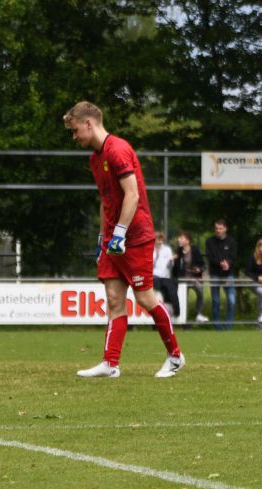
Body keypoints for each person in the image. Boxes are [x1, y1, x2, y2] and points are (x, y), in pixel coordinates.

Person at [63, 101, 184, 378]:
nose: (74, 137)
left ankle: (175, 356)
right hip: (112, 239)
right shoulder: (95, 159)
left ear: (89, 124)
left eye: (75, 130)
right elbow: (106, 200)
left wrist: (119, 233)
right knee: (114, 299)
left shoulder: (118, 149)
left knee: (145, 298)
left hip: (135, 237)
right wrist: (103, 237)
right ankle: (110, 363)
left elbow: (133, 194)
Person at [205, 218, 238, 330]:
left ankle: (228, 326)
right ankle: (217, 327)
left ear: (225, 229)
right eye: (216, 228)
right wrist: (220, 263)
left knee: (231, 300)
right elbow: (210, 257)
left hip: (228, 275)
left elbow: (233, 257)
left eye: (220, 228)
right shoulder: (209, 241)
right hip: (215, 274)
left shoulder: (232, 241)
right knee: (216, 301)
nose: (218, 230)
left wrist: (228, 263)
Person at [174, 231, 208, 323]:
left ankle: (198, 314)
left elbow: (202, 265)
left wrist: (198, 269)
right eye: (179, 238)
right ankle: (183, 319)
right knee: (183, 299)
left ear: (187, 241)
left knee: (200, 293)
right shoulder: (178, 251)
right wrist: (174, 260)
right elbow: (176, 268)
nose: (179, 240)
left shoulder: (195, 250)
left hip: (194, 278)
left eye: (181, 238)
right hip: (183, 279)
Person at [152, 231, 181, 318]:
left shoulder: (167, 249)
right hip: (154, 276)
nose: (159, 241)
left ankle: (176, 311)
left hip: (165, 276)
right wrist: (156, 255)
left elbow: (170, 265)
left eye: (161, 239)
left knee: (171, 291)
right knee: (160, 288)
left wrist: (171, 260)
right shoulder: (151, 250)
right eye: (157, 239)